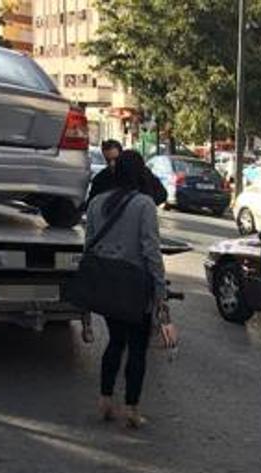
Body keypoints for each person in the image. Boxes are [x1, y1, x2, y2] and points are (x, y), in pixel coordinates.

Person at [85, 150, 171, 428]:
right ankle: (132, 408)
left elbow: (89, 246)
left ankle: (105, 400)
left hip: (108, 284)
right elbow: (151, 251)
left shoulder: (96, 202)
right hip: (135, 287)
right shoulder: (144, 204)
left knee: (114, 342)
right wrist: (160, 293)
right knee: (137, 348)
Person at [87, 139, 167, 207]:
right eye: (108, 160)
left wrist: (143, 204)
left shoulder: (140, 172)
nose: (112, 164)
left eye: (115, 159)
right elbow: (91, 203)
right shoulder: (100, 179)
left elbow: (162, 194)